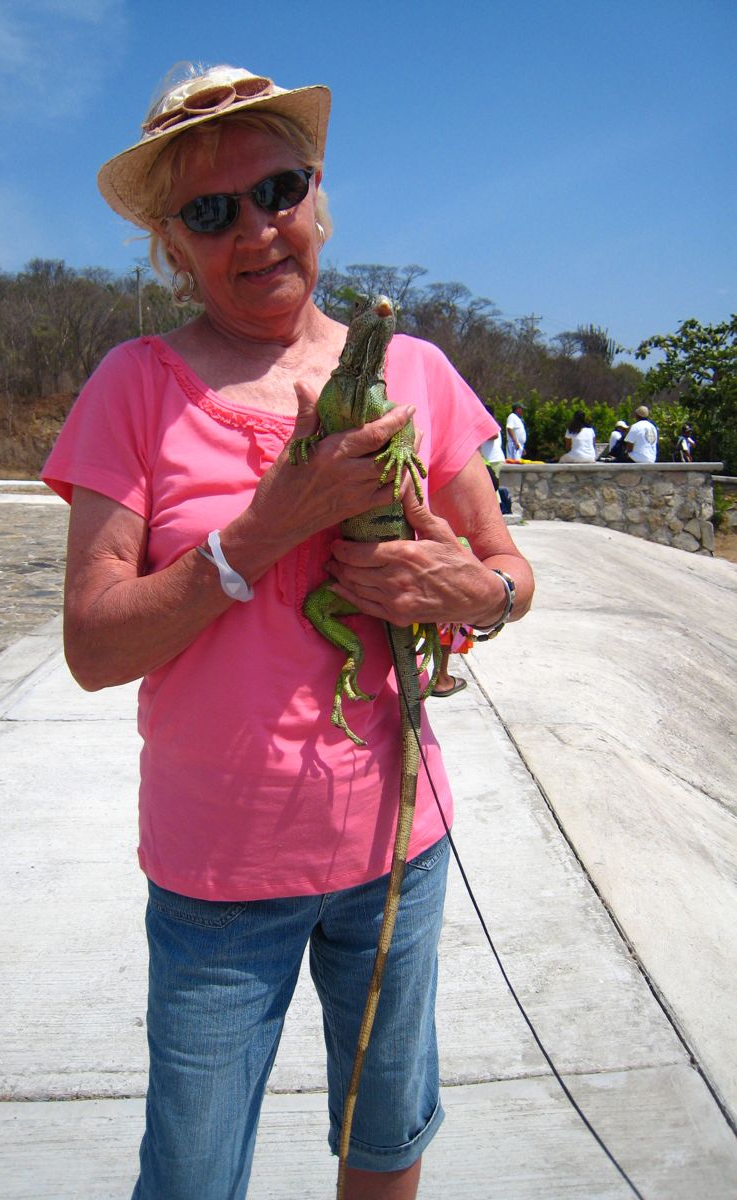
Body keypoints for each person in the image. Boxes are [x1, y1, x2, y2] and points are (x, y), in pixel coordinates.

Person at [42, 62, 534, 1200]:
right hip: (219, 874)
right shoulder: (135, 385)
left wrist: (469, 596)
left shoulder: (415, 371)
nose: (256, 229)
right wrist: (265, 530)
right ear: (172, 244)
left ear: (318, 198)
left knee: (386, 1138)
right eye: (212, 212)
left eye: (277, 189)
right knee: (194, 1173)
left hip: (397, 851)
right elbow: (92, 646)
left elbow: (510, 571)